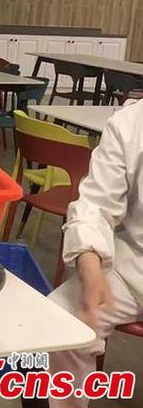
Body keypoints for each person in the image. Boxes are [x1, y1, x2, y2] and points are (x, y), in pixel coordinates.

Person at [47, 98, 143, 407]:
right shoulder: (131, 123)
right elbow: (96, 205)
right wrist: (89, 265)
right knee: (61, 319)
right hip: (136, 265)